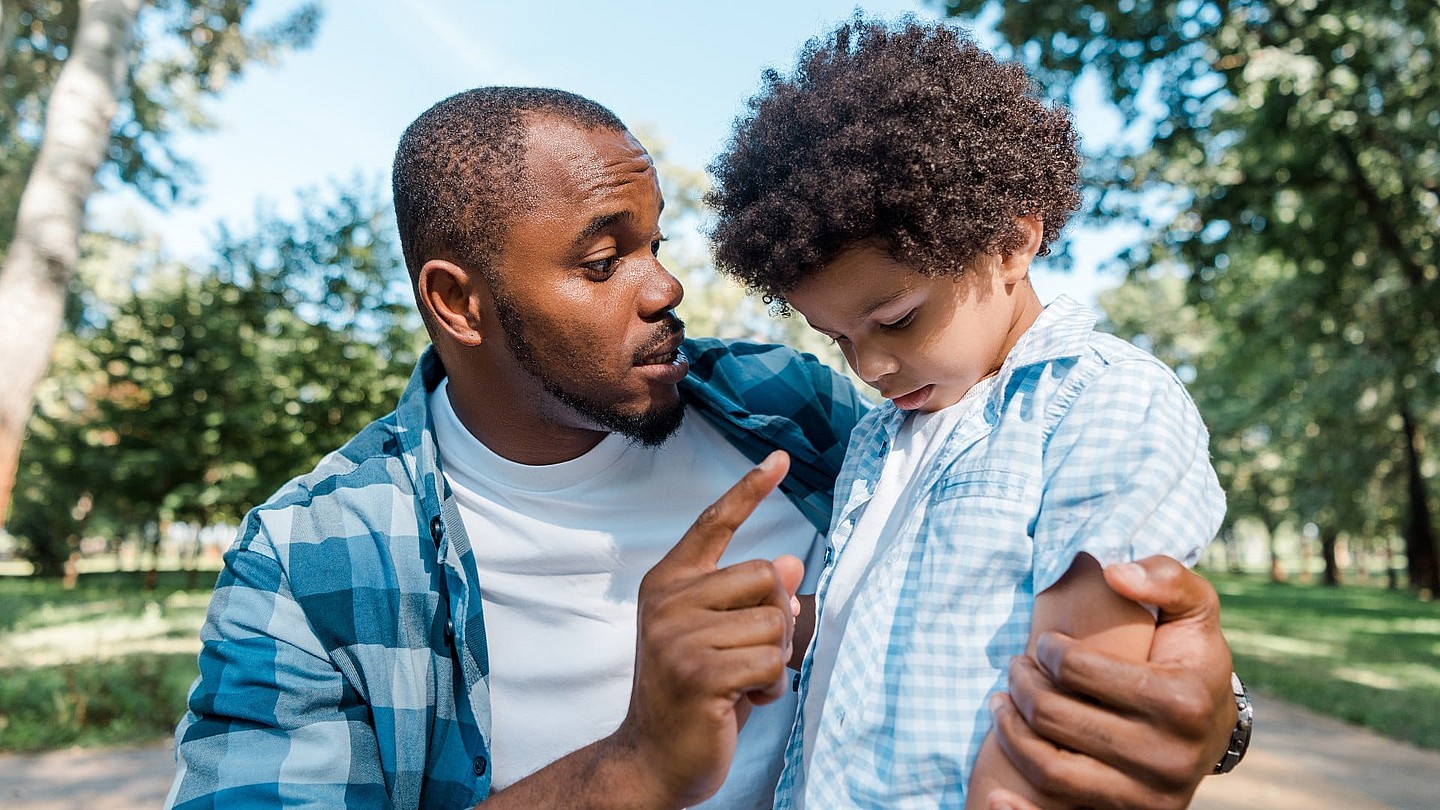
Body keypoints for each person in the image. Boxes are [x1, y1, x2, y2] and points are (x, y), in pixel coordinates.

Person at [167, 86, 1243, 810]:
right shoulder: (310, 564)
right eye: (602, 261)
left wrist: (1198, 719)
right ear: (459, 302)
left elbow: (975, 593)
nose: (667, 286)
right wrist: (632, 763)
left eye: (655, 242)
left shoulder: (795, 412)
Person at [706, 16, 1234, 810]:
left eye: (897, 320)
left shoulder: (1103, 401)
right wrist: (782, 623)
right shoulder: (882, 434)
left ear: (1011, 242)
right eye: (836, 337)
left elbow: (1076, 698)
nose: (870, 367)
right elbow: (902, 613)